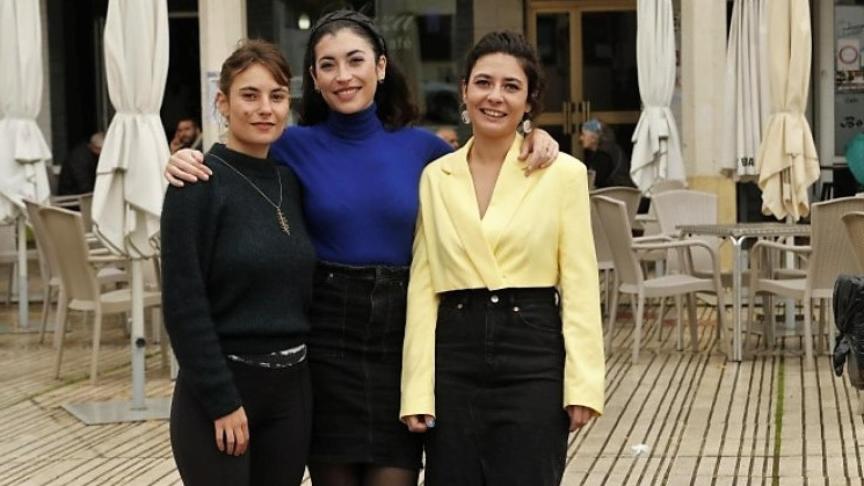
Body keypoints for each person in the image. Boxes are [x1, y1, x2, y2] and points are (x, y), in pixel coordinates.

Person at [164, 10, 560, 486]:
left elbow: (487, 157)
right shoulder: (290, 145)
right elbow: (238, 157)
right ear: (313, 78)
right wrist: (185, 156)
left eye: (355, 60)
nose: (343, 75)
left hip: (401, 340)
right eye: (327, 65)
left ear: (381, 67)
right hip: (327, 342)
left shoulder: (426, 152)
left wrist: (534, 136)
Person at [400, 31, 605, 486]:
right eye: (483, 83)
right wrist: (417, 390)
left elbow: (579, 283)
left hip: (531, 350)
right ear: (464, 91)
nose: (495, 97)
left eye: (511, 86)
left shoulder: (563, 174)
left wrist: (583, 383)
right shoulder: (436, 176)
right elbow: (422, 284)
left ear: (529, 101)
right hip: (454, 352)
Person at [161, 40, 316, 485]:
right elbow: (184, 304)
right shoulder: (197, 183)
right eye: (249, 95)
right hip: (222, 391)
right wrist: (222, 400)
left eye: (277, 96)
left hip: (291, 393)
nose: (264, 108)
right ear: (223, 103)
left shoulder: (289, 179)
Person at [578, 118, 634, 188]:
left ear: (594, 138)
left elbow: (596, 181)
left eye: (583, 135)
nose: (580, 138)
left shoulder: (604, 155)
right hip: (620, 193)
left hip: (614, 194)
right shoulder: (609, 149)